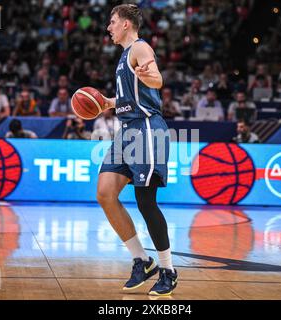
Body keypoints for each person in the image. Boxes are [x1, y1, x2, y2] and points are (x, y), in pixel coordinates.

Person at [98, 4, 177, 296]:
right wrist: (107, 102)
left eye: (113, 22)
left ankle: (168, 270)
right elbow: (129, 99)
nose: (109, 27)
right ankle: (142, 261)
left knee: (145, 201)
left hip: (146, 129)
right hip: (127, 130)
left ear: (127, 25)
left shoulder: (140, 48)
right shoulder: (122, 57)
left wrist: (149, 76)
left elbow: (157, 79)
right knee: (105, 193)